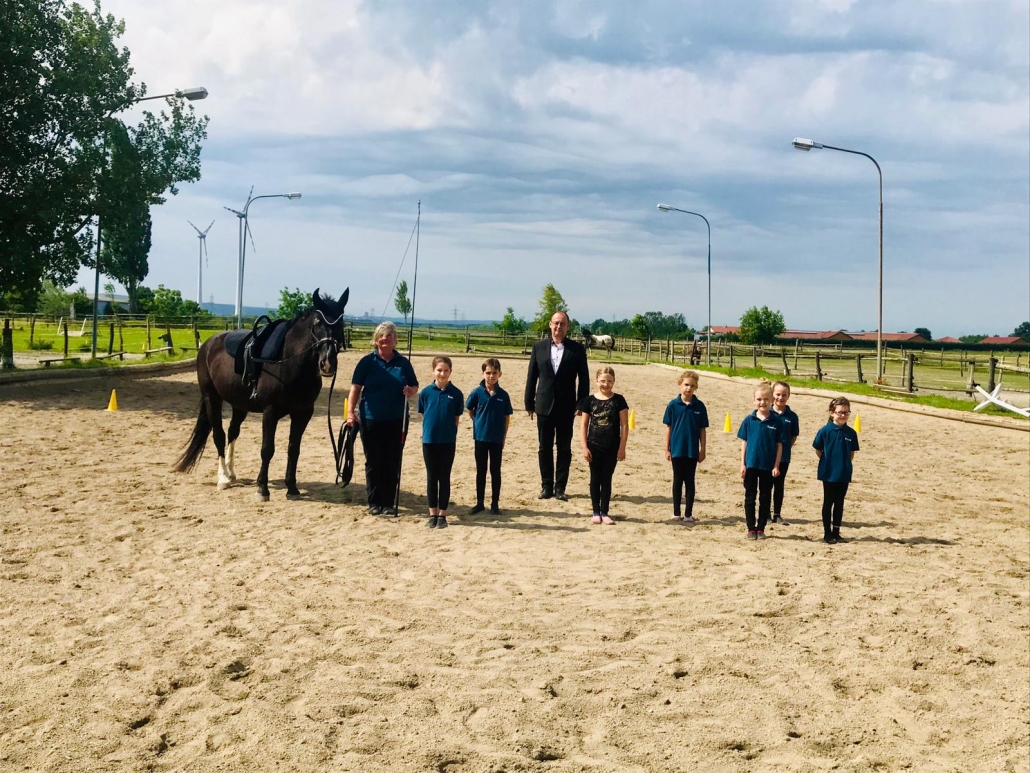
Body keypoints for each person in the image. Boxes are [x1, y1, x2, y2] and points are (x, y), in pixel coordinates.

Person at [347, 321, 418, 517]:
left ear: (395, 340)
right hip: (371, 419)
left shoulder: (403, 363)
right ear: (376, 340)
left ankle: (388, 502)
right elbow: (355, 389)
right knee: (374, 461)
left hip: (397, 420)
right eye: (381, 336)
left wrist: (411, 391)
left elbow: (414, 386)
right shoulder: (366, 363)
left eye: (389, 336)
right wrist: (350, 413)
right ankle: (374, 502)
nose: (385, 339)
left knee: (392, 461)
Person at [524, 311, 590, 501]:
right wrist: (529, 403)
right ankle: (546, 486)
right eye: (556, 323)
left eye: (562, 324)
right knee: (544, 448)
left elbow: (583, 379)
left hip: (566, 406)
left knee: (564, 448)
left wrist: (581, 403)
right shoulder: (539, 348)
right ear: (550, 324)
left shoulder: (577, 349)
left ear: (567, 326)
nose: (558, 327)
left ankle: (560, 487)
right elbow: (532, 377)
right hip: (543, 405)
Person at [577, 366, 629, 525]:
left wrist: (622, 447)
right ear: (596, 381)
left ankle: (605, 512)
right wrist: (585, 447)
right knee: (595, 479)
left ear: (614, 382)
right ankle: (595, 511)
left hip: (612, 446)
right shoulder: (589, 401)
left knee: (606, 479)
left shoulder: (619, 400)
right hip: (594, 445)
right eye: (602, 381)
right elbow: (584, 425)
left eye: (609, 381)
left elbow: (624, 425)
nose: (606, 384)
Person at [418, 356, 464, 529]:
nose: (442, 373)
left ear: (450, 371)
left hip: (447, 441)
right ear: (433, 371)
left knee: (444, 477)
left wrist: (450, 433)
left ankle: (443, 514)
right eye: (439, 370)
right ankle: (432, 513)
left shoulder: (456, 394)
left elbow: (456, 418)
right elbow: (424, 414)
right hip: (429, 440)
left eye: (445, 370)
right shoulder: (426, 392)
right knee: (432, 477)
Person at [737, 381, 785, 540]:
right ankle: (751, 528)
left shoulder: (777, 422)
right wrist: (742, 464)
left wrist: (776, 465)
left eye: (765, 399)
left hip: (767, 467)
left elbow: (779, 446)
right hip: (751, 465)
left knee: (765, 497)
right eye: (759, 399)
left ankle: (761, 528)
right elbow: (744, 443)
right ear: (754, 400)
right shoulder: (749, 420)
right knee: (750, 497)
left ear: (771, 400)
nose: (762, 402)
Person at [466, 358, 513, 515]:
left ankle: (495, 503)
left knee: (495, 471)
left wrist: (504, 437)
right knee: (481, 470)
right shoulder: (477, 393)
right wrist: (479, 422)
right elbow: (470, 410)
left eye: (494, 373)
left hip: (497, 438)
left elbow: (507, 418)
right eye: (488, 373)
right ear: (483, 373)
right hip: (480, 437)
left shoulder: (503, 395)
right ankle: (480, 502)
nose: (491, 376)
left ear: (500, 374)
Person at [813, 396, 860, 544]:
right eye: (840, 412)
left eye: (846, 412)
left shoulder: (851, 433)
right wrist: (829, 462)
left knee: (840, 502)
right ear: (832, 413)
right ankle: (827, 533)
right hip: (828, 473)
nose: (843, 415)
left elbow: (851, 453)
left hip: (844, 472)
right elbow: (818, 449)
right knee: (828, 502)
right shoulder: (825, 431)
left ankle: (836, 532)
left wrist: (843, 464)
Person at [663, 370, 708, 524]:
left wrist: (703, 450)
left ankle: (688, 513)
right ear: (680, 385)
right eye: (686, 385)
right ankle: (676, 512)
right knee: (677, 480)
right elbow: (668, 427)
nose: (689, 388)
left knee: (690, 480)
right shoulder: (673, 405)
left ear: (696, 387)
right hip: (676, 449)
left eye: (692, 386)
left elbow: (702, 430)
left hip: (692, 450)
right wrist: (666, 448)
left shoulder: (699, 406)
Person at [770, 381, 800, 525]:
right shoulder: (767, 413)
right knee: (766, 485)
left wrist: (785, 448)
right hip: (766, 456)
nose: (780, 398)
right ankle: (765, 513)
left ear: (788, 396)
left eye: (784, 395)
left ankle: (777, 513)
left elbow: (794, 435)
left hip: (783, 457)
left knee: (779, 485)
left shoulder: (792, 416)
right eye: (778, 394)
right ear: (772, 395)